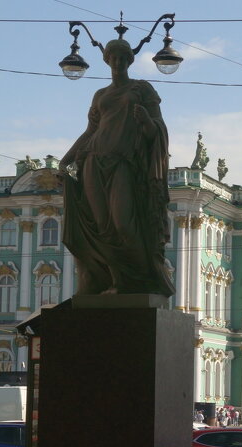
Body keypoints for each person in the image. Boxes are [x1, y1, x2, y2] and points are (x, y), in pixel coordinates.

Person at [60, 36, 174, 296]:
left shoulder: (142, 89)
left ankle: (137, 281)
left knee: (123, 223)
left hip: (124, 163)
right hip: (92, 161)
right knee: (102, 227)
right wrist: (66, 160)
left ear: (130, 61)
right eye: (114, 58)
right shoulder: (100, 94)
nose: (119, 62)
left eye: (124, 58)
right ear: (107, 60)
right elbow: (90, 131)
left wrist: (146, 121)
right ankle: (115, 280)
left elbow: (159, 128)